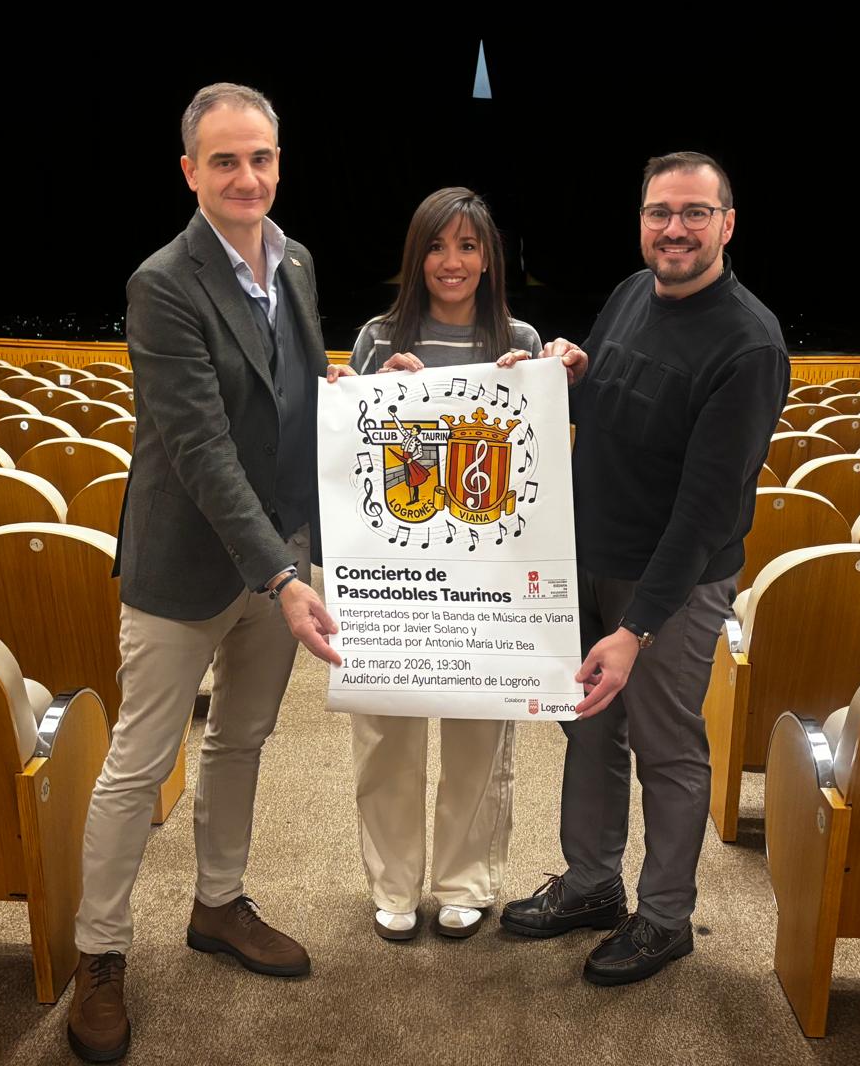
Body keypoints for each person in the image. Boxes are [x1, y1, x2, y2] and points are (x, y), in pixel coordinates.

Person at [67, 83, 352, 1063]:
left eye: (260, 158)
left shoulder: (295, 260)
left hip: (278, 553)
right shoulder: (163, 282)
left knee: (241, 740)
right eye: (225, 160)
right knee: (141, 763)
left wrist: (356, 394)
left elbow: (293, 390)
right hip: (189, 566)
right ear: (190, 171)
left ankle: (218, 904)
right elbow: (200, 448)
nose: (247, 177)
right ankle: (100, 952)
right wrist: (281, 575)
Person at [495, 152, 789, 986]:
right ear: (642, 221)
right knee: (587, 728)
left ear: (727, 225)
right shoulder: (632, 292)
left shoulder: (749, 344)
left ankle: (664, 918)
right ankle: (592, 885)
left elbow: (705, 513)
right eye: (660, 212)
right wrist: (565, 376)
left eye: (695, 213)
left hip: (670, 585)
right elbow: (605, 407)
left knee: (666, 749)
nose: (675, 229)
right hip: (588, 561)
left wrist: (636, 628)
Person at [342, 187, 541, 941]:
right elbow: (351, 457)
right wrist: (366, 396)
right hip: (396, 578)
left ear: (488, 259)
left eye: (466, 246)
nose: (450, 262)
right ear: (415, 256)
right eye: (435, 245)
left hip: (487, 579)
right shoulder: (375, 336)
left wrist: (531, 390)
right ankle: (392, 884)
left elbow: (533, 463)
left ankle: (466, 882)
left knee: (478, 734)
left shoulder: (518, 338)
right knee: (386, 734)